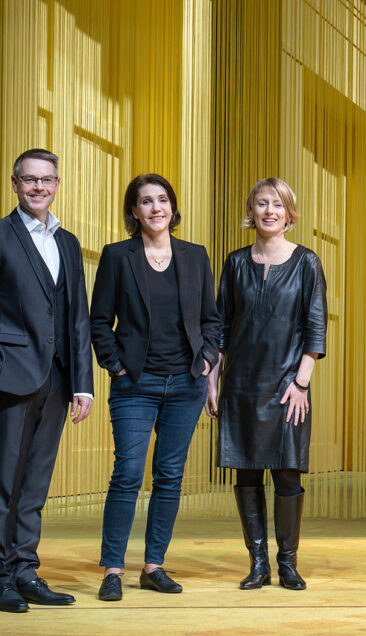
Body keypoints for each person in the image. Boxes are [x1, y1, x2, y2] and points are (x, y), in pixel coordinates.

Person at [0, 148, 94, 613]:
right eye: (29, 179)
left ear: (57, 185)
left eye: (47, 180)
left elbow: (78, 318)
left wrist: (82, 382)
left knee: (35, 482)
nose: (38, 187)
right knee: (4, 483)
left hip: (56, 380)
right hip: (10, 376)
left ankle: (25, 569)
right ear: (14, 183)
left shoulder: (68, 242)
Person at [89, 174, 219, 601]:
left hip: (186, 384)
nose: (155, 208)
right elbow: (98, 321)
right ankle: (112, 569)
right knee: (126, 475)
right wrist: (116, 367)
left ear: (172, 207)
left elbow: (211, 319)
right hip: (135, 385)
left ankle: (153, 566)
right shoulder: (116, 256)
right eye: (146, 202)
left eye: (162, 200)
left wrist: (207, 359)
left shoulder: (196, 256)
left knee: (169, 476)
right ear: (134, 211)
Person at [206, 177, 327, 591]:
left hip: (287, 386)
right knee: (247, 476)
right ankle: (258, 563)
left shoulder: (307, 261)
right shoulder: (235, 262)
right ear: (252, 211)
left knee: (288, 475)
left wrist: (301, 384)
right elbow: (221, 327)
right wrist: (212, 380)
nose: (269, 211)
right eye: (262, 203)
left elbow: (315, 325)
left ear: (289, 213)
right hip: (240, 385)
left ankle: (288, 563)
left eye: (277, 204)